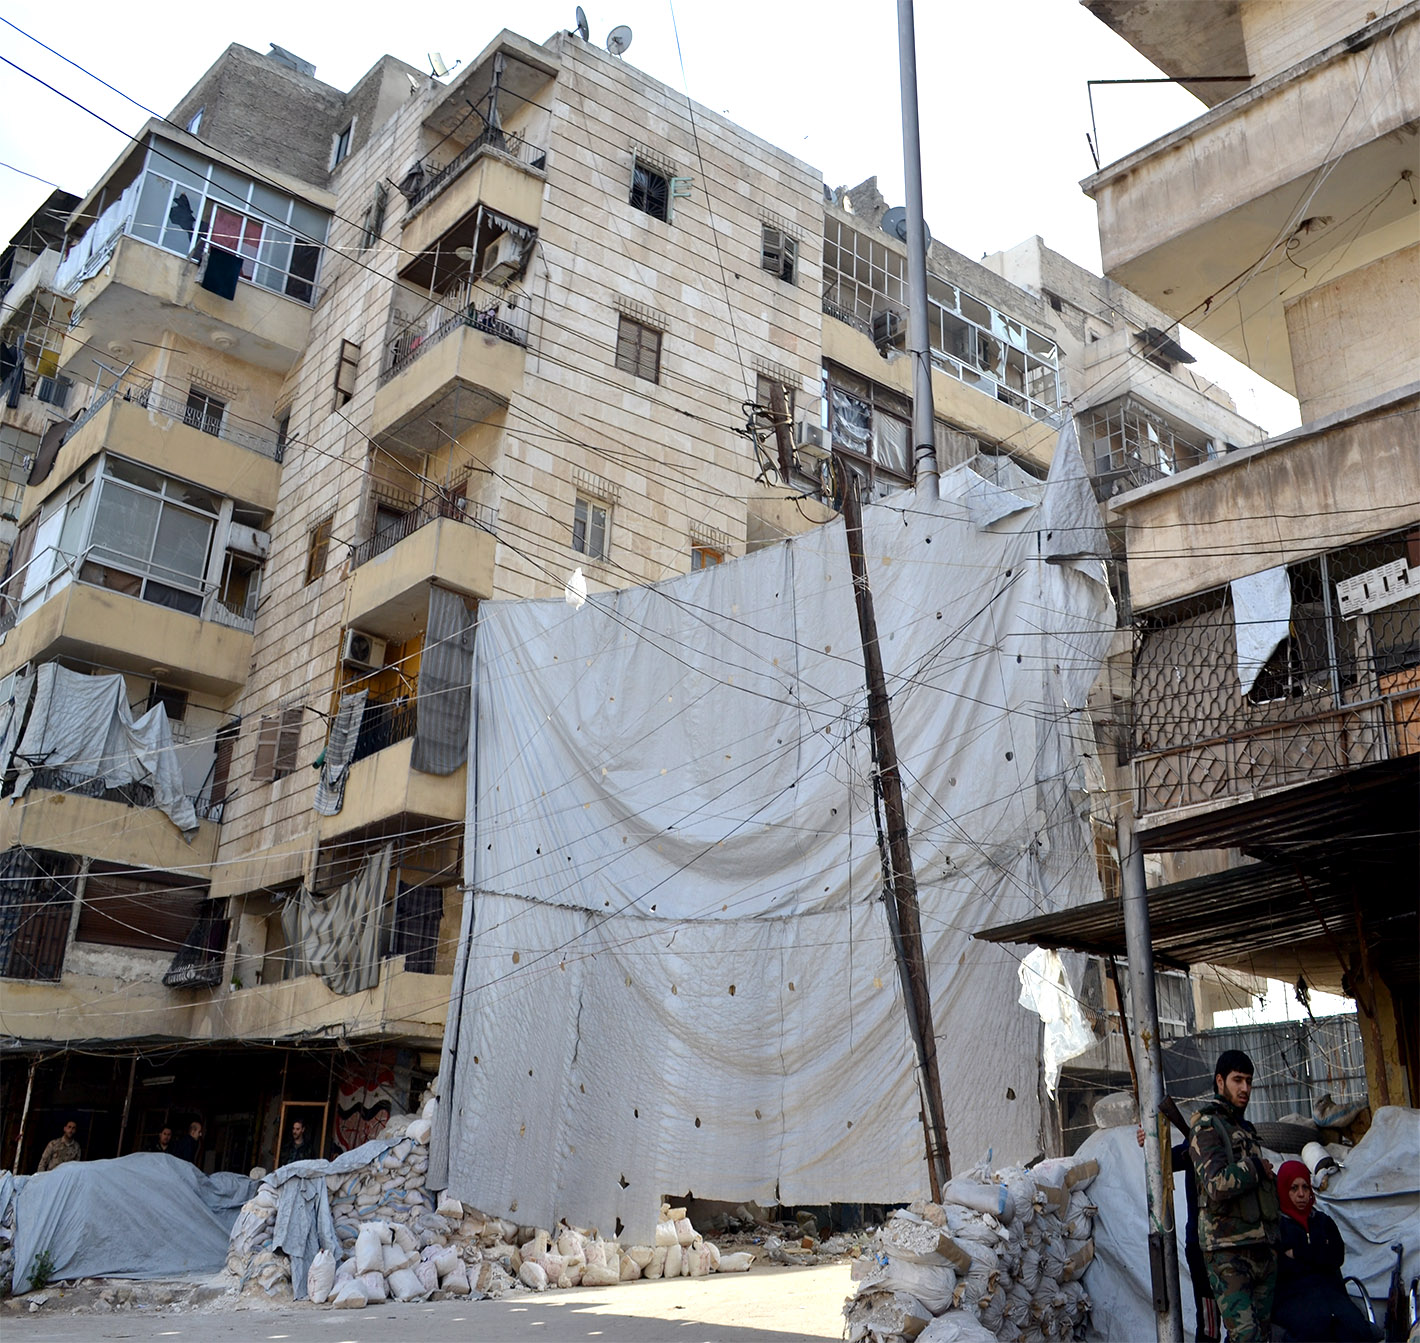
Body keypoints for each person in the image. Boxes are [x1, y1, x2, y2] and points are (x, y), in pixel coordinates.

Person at [1188, 1049, 1279, 1343]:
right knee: (1246, 1335)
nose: (1245, 1089)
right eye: (1238, 1080)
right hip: (1227, 1249)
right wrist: (1254, 1168)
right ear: (1220, 1081)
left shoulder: (1246, 1129)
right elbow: (1215, 1183)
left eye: (1249, 1081)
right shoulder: (1206, 1125)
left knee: (1262, 1334)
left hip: (1261, 1247)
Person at [1140, 1096, 1221, 1342]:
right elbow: (1164, 1160)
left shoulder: (1231, 1150)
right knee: (1210, 1325)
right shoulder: (1191, 1147)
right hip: (1202, 1247)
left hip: (1232, 1245)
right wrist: (1149, 1142)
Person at [1273, 1159, 1376, 1341]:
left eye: (1305, 1187)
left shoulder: (1323, 1221)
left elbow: (1336, 1257)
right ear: (1283, 1190)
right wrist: (1319, 1254)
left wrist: (1299, 1253)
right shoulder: (1276, 1226)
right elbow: (1283, 1266)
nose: (1301, 1194)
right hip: (1293, 1298)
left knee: (1357, 1330)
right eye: (1294, 1188)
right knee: (1315, 1330)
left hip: (1331, 1293)